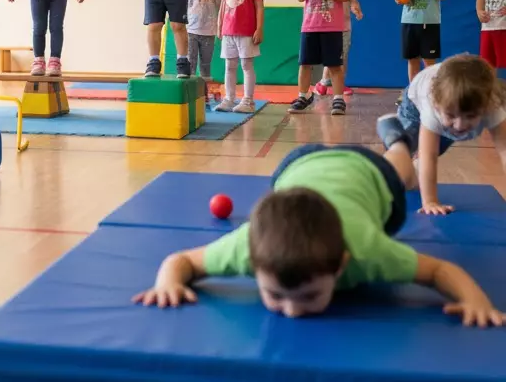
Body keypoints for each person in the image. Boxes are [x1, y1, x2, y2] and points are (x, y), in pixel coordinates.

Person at [133, 141, 503, 328]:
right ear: (254, 265)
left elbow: (440, 271)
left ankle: (398, 145)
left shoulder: (367, 250)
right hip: (298, 164)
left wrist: (475, 300)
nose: (292, 311)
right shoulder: (250, 245)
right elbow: (180, 262)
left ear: (342, 265)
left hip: (368, 173)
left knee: (403, 176)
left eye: (309, 295)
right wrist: (168, 283)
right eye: (274, 295)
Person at [377, 54, 506, 215]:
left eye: (471, 116)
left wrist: (449, 119)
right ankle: (394, 136)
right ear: (438, 107)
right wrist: (430, 201)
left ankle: (410, 160)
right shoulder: (432, 108)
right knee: (404, 155)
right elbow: (428, 156)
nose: (460, 125)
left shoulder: (493, 105)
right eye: (452, 116)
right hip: (414, 105)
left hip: (444, 109)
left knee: (414, 179)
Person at [288, 0, 352, 115]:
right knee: (305, 63)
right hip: (309, 26)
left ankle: (338, 98)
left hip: (332, 27)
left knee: (334, 65)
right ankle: (303, 95)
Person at [216, 0, 265, 113]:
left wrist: (259, 28)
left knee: (246, 65)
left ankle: (248, 100)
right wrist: (219, 24)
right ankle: (229, 98)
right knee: (229, 65)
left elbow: (259, 6)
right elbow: (223, 4)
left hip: (246, 32)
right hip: (229, 31)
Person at [313, 0, 363, 97]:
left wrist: (356, 9)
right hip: (331, 27)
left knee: (343, 57)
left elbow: (354, 1)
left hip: (345, 28)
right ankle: (323, 82)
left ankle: (340, 83)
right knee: (332, 58)